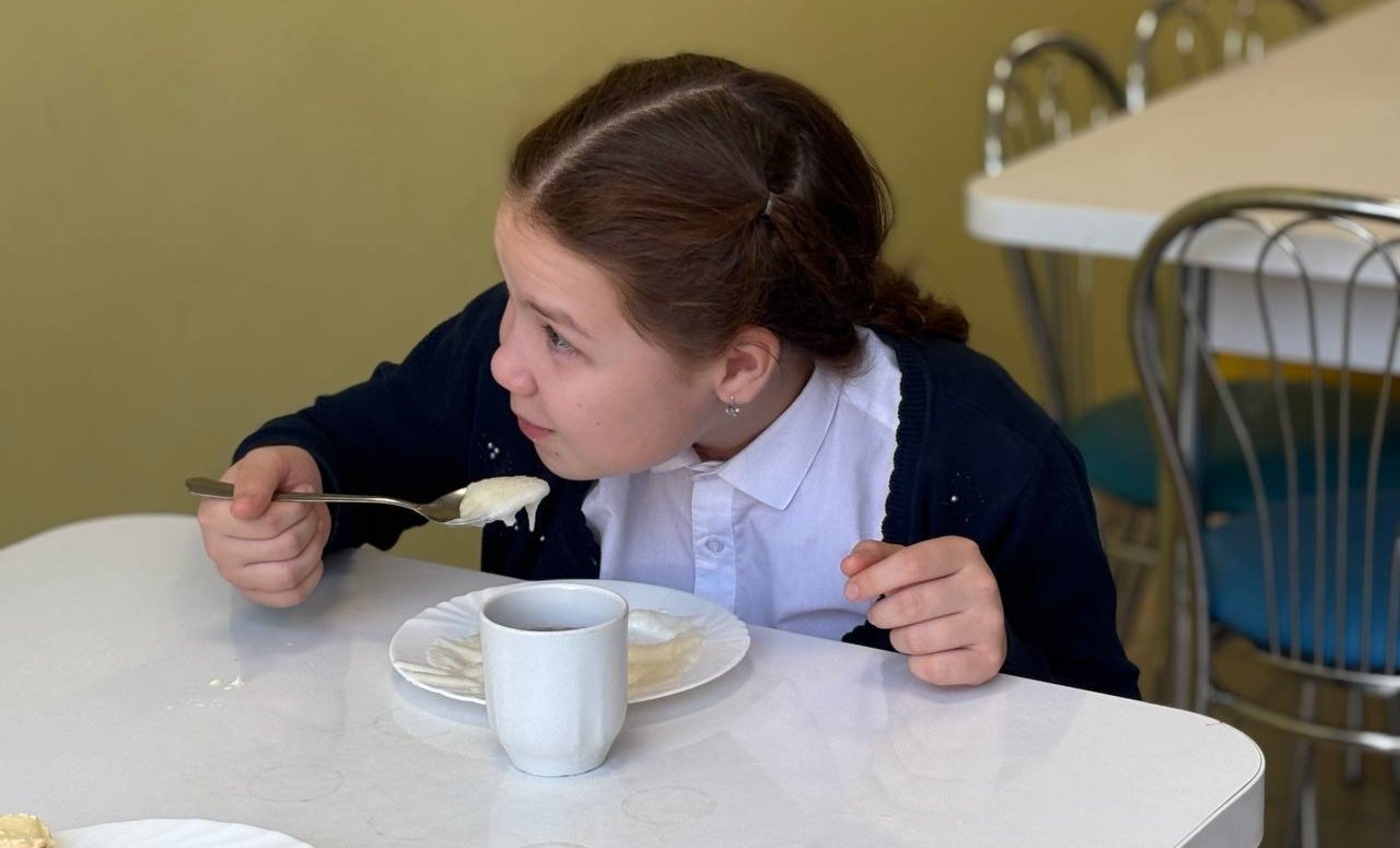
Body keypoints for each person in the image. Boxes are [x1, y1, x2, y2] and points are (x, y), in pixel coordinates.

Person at [198, 53, 1139, 699]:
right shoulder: (505, 376)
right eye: (512, 297)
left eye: (561, 338)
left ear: (737, 366)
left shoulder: (982, 459)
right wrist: (291, 495)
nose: (505, 360)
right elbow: (347, 452)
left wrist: (1003, 656)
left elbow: (1114, 742)